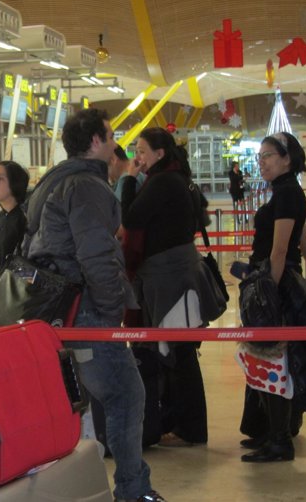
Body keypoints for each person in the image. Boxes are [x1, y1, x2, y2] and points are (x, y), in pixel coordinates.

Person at [23, 108, 165, 502]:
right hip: (84, 309)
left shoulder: (56, 180)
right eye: (111, 133)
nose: (116, 141)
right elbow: (96, 255)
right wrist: (109, 312)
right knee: (125, 394)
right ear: (96, 141)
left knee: (74, 401)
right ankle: (133, 490)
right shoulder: (85, 186)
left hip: (57, 309)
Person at [121, 127, 223, 448]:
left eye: (141, 150)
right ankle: (183, 423)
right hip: (179, 276)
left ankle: (192, 428)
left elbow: (132, 217)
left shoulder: (163, 182)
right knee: (180, 353)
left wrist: (126, 180)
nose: (136, 157)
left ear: (159, 154)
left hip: (171, 281)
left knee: (179, 356)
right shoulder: (176, 179)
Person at [238, 132, 306, 463]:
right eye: (259, 156)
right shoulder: (287, 192)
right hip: (281, 280)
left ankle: (279, 439)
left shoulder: (288, 193)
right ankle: (274, 431)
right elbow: (304, 243)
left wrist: (267, 297)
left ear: (287, 158)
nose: (261, 162)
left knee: (273, 357)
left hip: (276, 281)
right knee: (277, 359)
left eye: (267, 156)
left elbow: (279, 251)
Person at [0, 160, 29, 277]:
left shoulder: (25, 218)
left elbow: (28, 268)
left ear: (14, 183)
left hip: (19, 289)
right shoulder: (1, 216)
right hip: (3, 287)